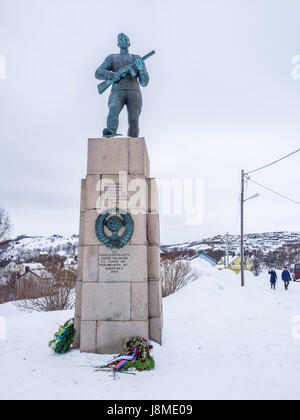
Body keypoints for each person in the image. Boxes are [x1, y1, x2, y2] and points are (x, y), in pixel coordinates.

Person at [95, 33, 150, 138]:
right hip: (117, 90)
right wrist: (111, 75)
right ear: (117, 43)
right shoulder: (112, 58)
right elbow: (98, 73)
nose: (123, 40)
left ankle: (133, 140)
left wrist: (142, 70)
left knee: (134, 118)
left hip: (134, 91)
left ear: (129, 43)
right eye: (120, 39)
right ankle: (110, 131)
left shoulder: (137, 58)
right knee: (113, 110)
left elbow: (144, 82)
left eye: (125, 38)